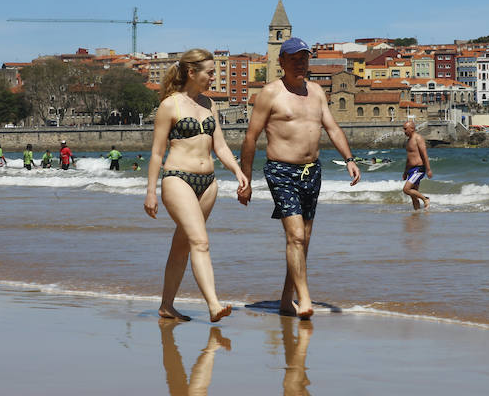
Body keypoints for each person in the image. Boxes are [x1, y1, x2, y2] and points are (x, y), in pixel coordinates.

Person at [238, 37, 361, 319]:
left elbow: (332, 127)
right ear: (281, 62)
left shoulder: (317, 92)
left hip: (312, 171)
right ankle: (304, 299)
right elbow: (250, 138)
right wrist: (245, 180)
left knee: (303, 240)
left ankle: (286, 299)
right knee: (294, 236)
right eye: (294, 59)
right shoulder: (270, 93)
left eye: (304, 58)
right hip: (281, 170)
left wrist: (350, 160)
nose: (300, 64)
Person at [145, 48, 247, 323]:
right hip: (178, 179)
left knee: (183, 246)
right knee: (200, 241)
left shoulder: (210, 104)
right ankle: (213, 304)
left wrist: (237, 170)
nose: (214, 77)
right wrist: (150, 192)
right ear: (192, 72)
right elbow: (157, 152)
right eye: (210, 72)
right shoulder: (171, 105)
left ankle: (167, 306)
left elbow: (221, 146)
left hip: (208, 184)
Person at [402, 120, 432, 210]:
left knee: (406, 189)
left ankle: (425, 199)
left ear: (412, 129)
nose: (404, 131)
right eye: (403, 129)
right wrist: (405, 171)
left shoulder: (418, 138)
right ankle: (417, 214)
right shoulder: (408, 141)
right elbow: (409, 158)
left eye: (405, 129)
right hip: (411, 170)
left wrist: (428, 169)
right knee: (413, 195)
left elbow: (424, 154)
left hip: (418, 169)